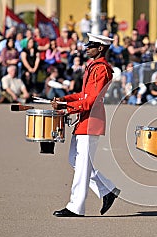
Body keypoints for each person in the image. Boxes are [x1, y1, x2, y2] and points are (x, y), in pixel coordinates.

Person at [51, 33, 120, 217]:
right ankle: (107, 190)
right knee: (75, 159)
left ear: (100, 48)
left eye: (91, 45)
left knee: (81, 165)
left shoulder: (102, 69)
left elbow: (91, 101)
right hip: (85, 119)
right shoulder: (93, 67)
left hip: (92, 120)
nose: (87, 48)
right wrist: (64, 100)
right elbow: (83, 95)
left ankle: (76, 206)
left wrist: (67, 109)